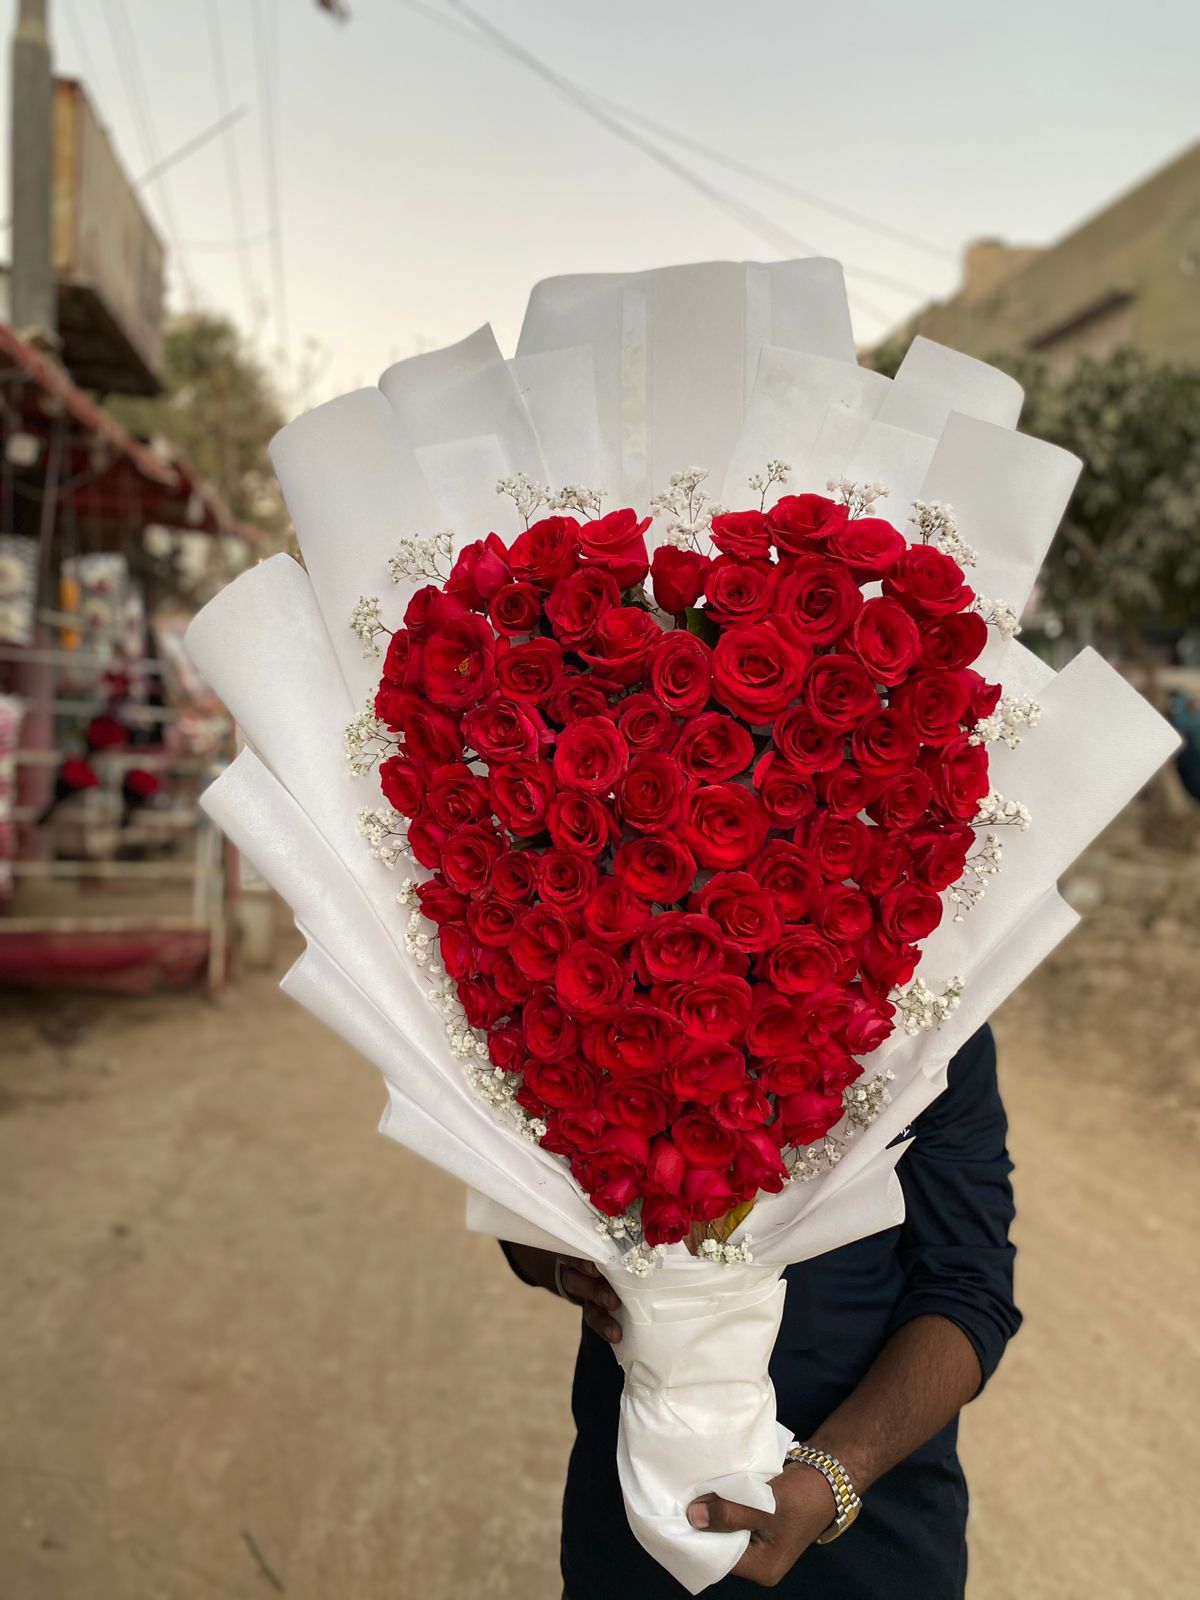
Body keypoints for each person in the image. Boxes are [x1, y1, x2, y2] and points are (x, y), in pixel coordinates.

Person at [502, 1024, 1020, 1597]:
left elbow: (969, 1285)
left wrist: (835, 1476)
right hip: (635, 1517)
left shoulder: (925, 1007)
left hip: (869, 1539)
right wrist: (567, 1262)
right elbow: (520, 1212)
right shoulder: (590, 986)